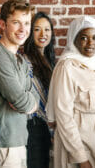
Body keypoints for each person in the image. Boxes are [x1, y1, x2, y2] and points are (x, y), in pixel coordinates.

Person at [46, 16, 95, 168]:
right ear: (73, 40)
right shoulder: (67, 66)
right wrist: (81, 157)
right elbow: (63, 115)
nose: (90, 43)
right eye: (83, 38)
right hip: (76, 142)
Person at [0, 0, 39, 168]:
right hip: (4, 144)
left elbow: (31, 95)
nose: (23, 29)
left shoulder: (19, 58)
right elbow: (21, 101)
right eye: (16, 22)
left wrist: (27, 102)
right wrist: (24, 102)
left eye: (27, 23)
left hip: (18, 140)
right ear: (2, 24)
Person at [23, 11, 56, 168]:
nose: (43, 34)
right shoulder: (25, 62)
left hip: (47, 127)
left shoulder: (50, 62)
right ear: (30, 33)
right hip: (33, 127)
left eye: (47, 29)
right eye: (37, 29)